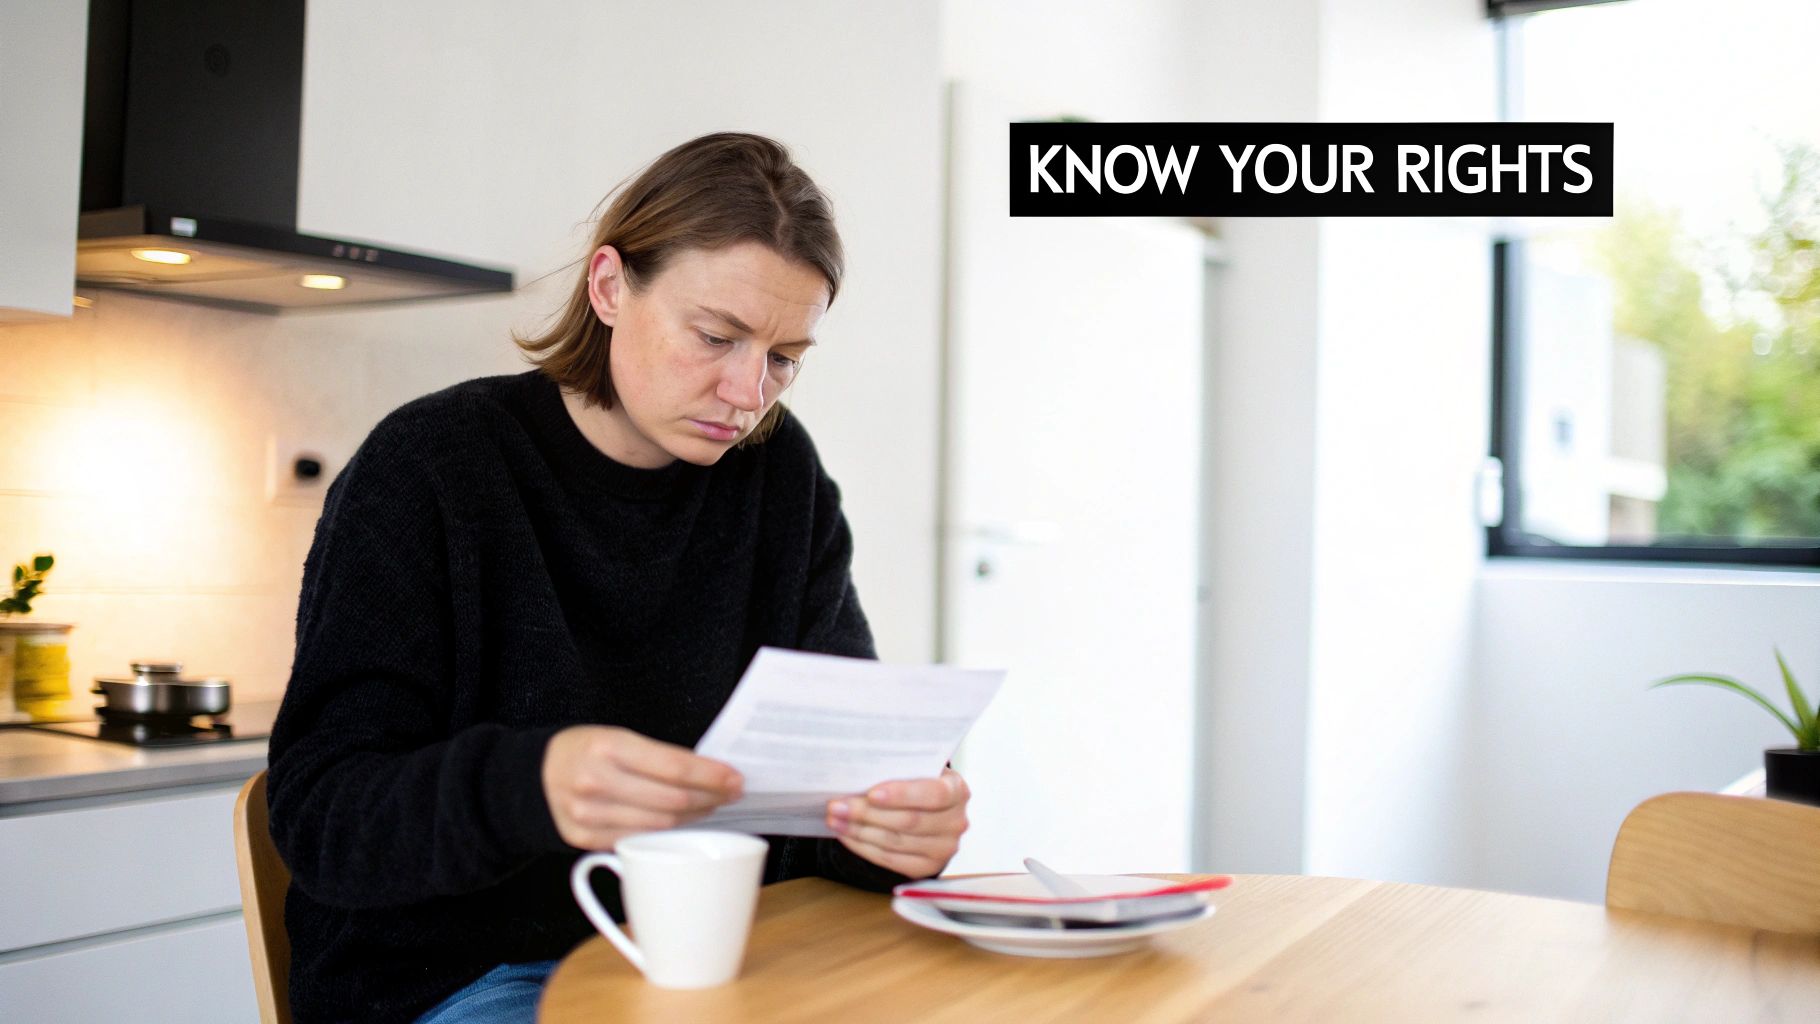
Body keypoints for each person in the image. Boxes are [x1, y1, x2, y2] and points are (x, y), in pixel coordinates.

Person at [265, 132, 972, 1024]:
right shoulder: (432, 469)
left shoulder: (778, 477)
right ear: (608, 287)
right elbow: (322, 815)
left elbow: (831, 784)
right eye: (716, 336)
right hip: (465, 978)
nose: (749, 392)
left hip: (724, 958)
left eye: (786, 357)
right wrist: (530, 784)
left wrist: (893, 832)